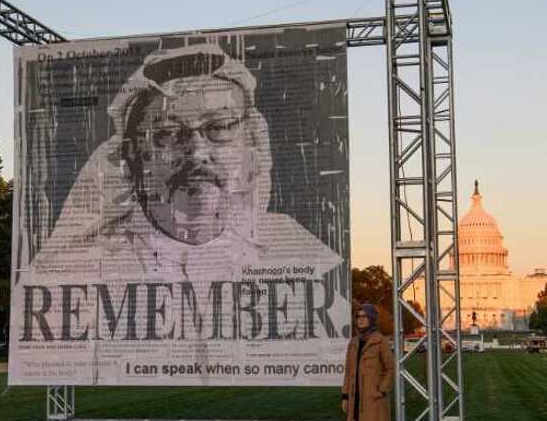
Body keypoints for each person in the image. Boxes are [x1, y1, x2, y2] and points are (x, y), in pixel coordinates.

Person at [26, 43, 343, 281]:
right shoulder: (76, 266)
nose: (196, 152)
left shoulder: (299, 247)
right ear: (131, 155)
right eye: (167, 133)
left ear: (252, 146)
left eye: (219, 128)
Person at [341, 303, 393, 421]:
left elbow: (390, 368)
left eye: (364, 316)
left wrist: (381, 390)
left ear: (371, 319)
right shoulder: (354, 343)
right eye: (358, 316)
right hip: (357, 400)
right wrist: (345, 396)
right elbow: (348, 372)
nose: (361, 319)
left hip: (374, 401)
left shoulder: (380, 341)